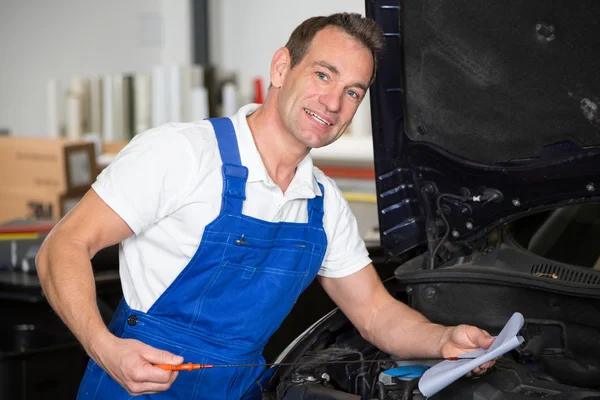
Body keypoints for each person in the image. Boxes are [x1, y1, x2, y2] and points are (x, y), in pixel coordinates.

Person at [36, 12, 496, 399]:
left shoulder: (323, 204)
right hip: (136, 386)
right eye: (322, 74)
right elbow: (63, 246)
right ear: (281, 68)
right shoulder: (180, 153)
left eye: (354, 91)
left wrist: (444, 340)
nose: (333, 102)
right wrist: (104, 347)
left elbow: (375, 313)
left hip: (241, 389)